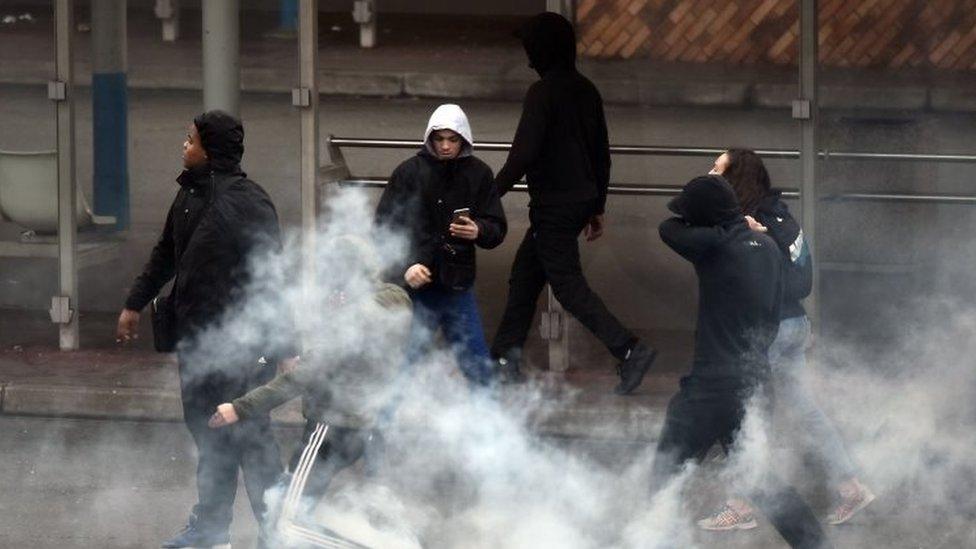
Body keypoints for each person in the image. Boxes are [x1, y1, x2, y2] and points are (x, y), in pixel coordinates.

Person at [116, 110, 295, 548]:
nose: (184, 145)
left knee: (252, 440)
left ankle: (279, 532)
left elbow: (272, 277)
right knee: (208, 433)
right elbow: (165, 254)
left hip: (244, 347)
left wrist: (286, 345)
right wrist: (134, 303)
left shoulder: (249, 201)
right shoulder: (189, 195)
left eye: (190, 140)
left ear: (210, 149)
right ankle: (211, 531)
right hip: (198, 346)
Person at [697, 149, 874, 531]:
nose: (710, 171)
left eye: (718, 168)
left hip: (771, 332)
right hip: (793, 328)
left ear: (736, 179)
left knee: (747, 418)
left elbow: (790, 281)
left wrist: (760, 245)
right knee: (802, 408)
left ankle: (740, 505)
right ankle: (852, 486)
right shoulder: (783, 216)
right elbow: (803, 281)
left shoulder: (755, 222)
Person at [653, 174, 832, 549]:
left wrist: (726, 228)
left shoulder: (713, 246)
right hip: (753, 380)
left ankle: (651, 538)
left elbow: (667, 229)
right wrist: (740, 225)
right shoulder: (766, 246)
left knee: (665, 473)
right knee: (758, 479)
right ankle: (816, 544)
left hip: (710, 389)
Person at [489, 12, 656, 391]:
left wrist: (488, 195)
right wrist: (597, 206)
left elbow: (523, 154)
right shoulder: (585, 89)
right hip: (576, 202)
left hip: (555, 206)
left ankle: (630, 349)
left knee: (567, 285)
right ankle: (503, 358)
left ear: (543, 50)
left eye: (530, 47)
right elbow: (602, 154)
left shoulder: (543, 93)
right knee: (525, 278)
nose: (527, 56)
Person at [208, 235, 412, 539]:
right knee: (291, 508)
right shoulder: (395, 300)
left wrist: (239, 407)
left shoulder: (353, 319)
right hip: (364, 424)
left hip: (331, 426)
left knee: (283, 520)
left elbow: (303, 375)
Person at [375, 103, 507, 386]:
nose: (446, 146)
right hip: (416, 291)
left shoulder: (479, 174)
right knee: (403, 368)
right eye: (440, 138)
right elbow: (384, 230)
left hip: (457, 285)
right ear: (430, 138)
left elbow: (497, 227)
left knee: (477, 365)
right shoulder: (408, 173)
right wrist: (405, 268)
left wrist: (478, 230)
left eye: (453, 139)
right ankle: (380, 427)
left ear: (464, 139)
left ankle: (488, 427)